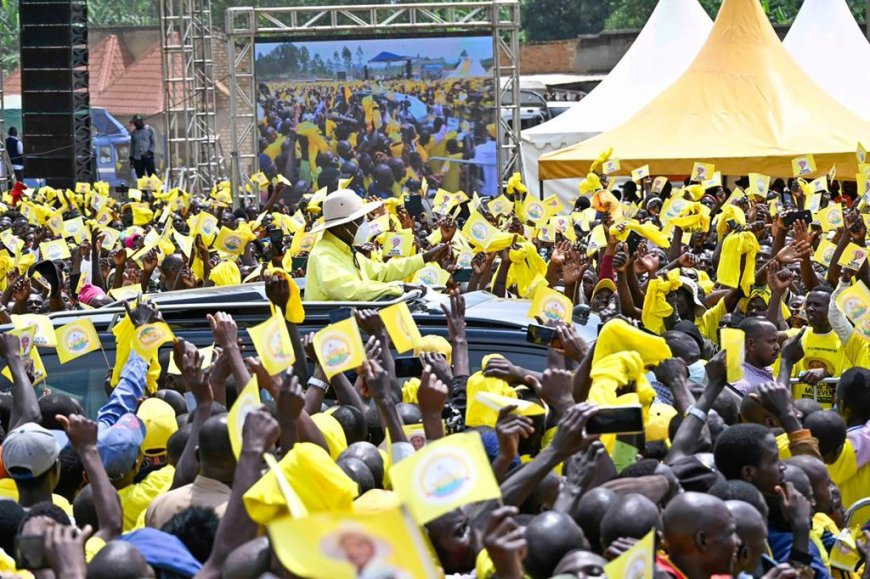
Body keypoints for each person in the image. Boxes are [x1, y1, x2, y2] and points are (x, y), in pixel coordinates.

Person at [303, 189, 448, 301]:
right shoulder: (323, 255)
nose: (365, 225)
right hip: (332, 331)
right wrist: (399, 288)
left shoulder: (347, 252)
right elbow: (350, 289)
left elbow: (382, 271)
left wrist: (424, 258)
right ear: (342, 226)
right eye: (360, 221)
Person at [129, 114, 157, 178]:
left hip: (148, 157)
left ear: (141, 122)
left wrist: (149, 152)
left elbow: (154, 143)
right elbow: (132, 146)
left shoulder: (150, 130)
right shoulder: (134, 133)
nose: (135, 124)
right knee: (140, 177)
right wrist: (131, 158)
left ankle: (154, 188)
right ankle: (142, 188)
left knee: (152, 176)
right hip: (137, 158)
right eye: (134, 123)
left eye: (137, 122)